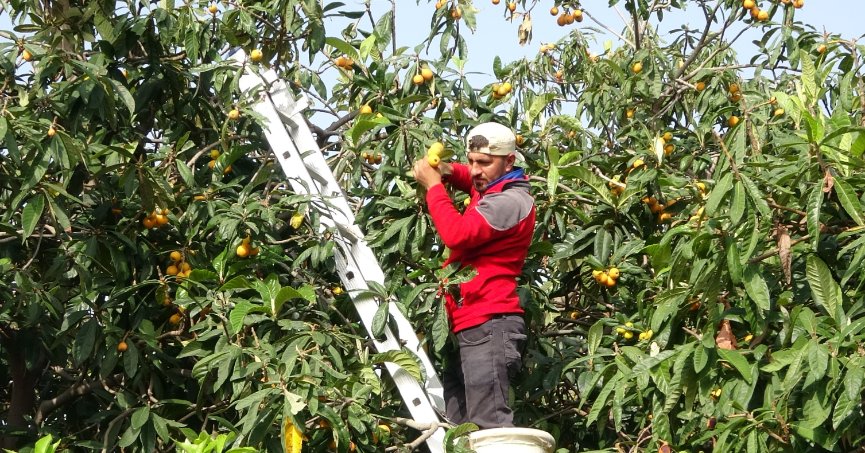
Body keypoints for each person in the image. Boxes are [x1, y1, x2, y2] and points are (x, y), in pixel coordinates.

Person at [411, 122, 536, 429]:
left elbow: (457, 234)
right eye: (471, 161)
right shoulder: (490, 188)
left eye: (485, 162)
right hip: (465, 325)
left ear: (509, 161)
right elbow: (470, 179)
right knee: (460, 429)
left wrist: (434, 187)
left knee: (489, 427)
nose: (476, 170)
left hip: (489, 322)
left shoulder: (509, 202)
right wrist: (448, 170)